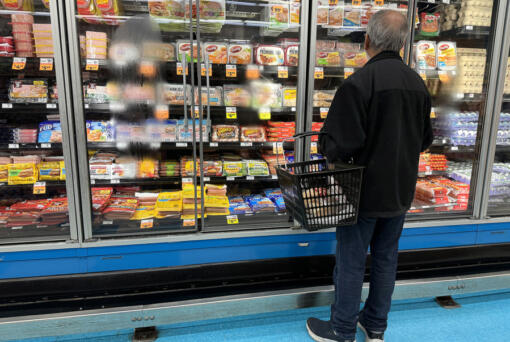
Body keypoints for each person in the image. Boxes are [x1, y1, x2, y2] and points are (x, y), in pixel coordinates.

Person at [306, 9, 433, 342]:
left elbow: (339, 145)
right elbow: (425, 140)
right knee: (386, 258)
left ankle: (342, 328)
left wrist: (325, 141)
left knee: (350, 259)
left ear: (367, 41)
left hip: (360, 191)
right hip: (398, 190)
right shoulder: (418, 84)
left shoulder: (359, 83)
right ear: (403, 44)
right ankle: (375, 324)